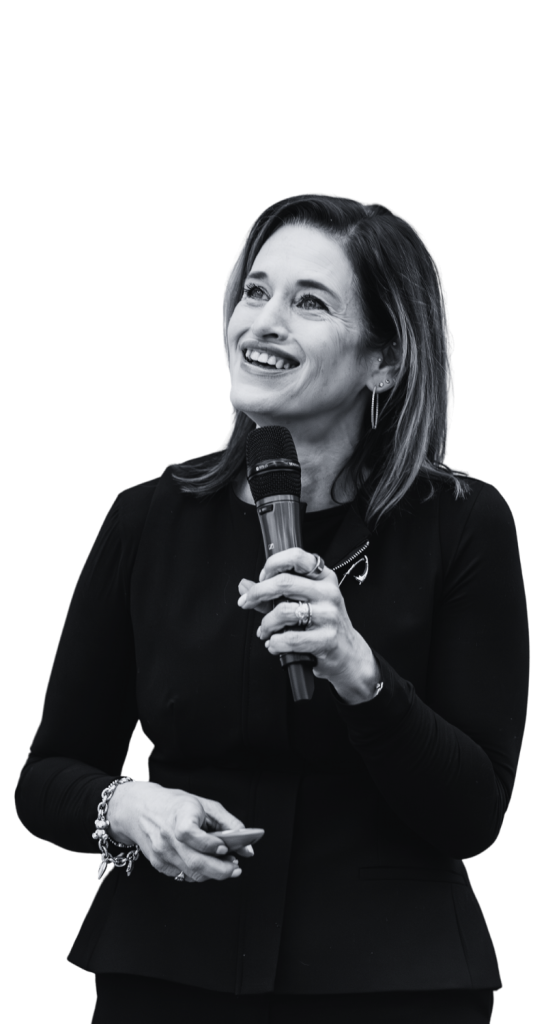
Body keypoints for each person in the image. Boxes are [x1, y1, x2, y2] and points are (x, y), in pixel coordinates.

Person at [14, 194, 528, 1023]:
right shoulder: (146, 518)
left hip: (392, 986)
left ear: (385, 360)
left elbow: (475, 815)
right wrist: (131, 806)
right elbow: (46, 777)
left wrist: (361, 674)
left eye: (310, 302)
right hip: (166, 975)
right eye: (254, 292)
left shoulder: (464, 523)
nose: (264, 322)